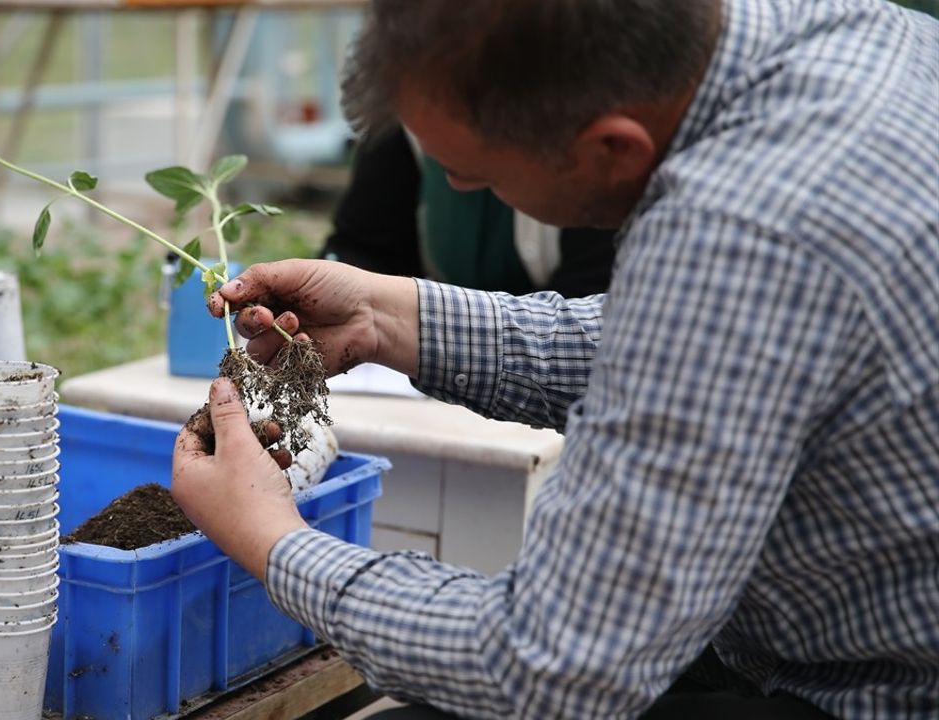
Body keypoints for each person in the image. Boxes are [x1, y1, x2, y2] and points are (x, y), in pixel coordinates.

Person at [172, 0, 939, 718]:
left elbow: (556, 667)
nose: (452, 186)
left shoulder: (741, 228)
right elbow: (691, 354)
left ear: (610, 148)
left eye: (473, 174)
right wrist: (386, 317)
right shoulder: (842, 33)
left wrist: (273, 540)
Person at [320, 124, 617, 297]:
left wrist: (414, 326)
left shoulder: (594, 154)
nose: (455, 182)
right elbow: (361, 244)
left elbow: (588, 311)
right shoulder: (400, 129)